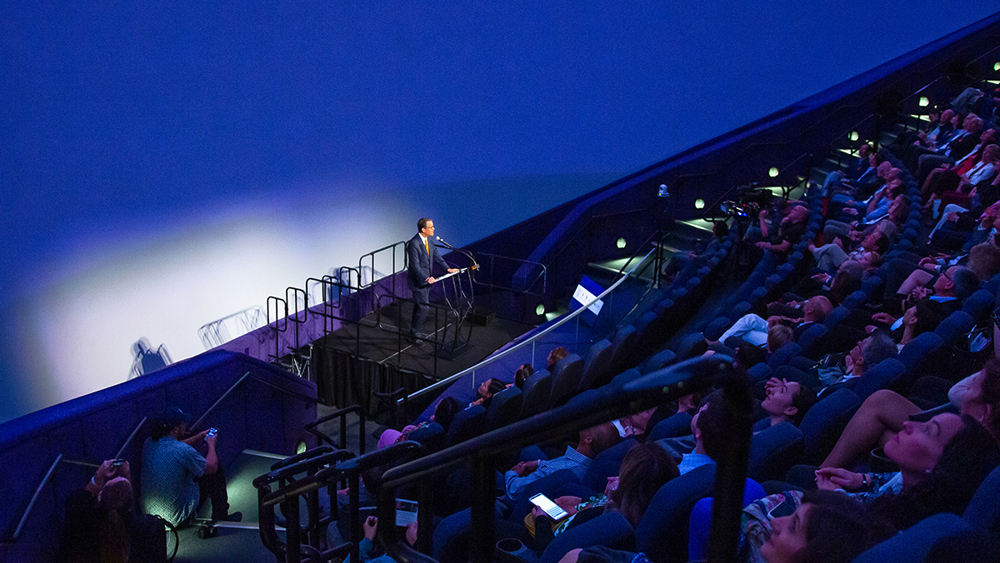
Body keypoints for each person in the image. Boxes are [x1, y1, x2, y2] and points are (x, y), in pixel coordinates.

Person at [527, 443, 679, 549]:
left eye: (621, 477)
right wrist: (583, 502)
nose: (612, 479)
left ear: (629, 491)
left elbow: (551, 551)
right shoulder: (661, 517)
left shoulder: (596, 519)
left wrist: (541, 520)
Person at [140, 407, 240, 526]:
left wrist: (198, 437)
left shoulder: (148, 443)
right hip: (175, 518)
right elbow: (212, 467)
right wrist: (211, 445)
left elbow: (174, 446)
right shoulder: (183, 450)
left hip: (152, 520)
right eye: (182, 423)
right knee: (216, 472)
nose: (185, 425)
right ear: (175, 429)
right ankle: (221, 518)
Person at [57, 459, 160, 563]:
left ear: (99, 496)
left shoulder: (83, 527)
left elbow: (76, 501)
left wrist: (97, 478)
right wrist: (127, 477)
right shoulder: (147, 529)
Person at [503, 423, 621, 503]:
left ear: (588, 439)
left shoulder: (558, 469)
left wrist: (512, 473)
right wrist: (539, 463)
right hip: (550, 473)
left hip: (518, 498)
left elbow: (515, 490)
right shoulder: (588, 464)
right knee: (530, 450)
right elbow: (559, 464)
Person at [406, 217, 458, 340]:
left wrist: (448, 268)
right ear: (423, 229)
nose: (433, 229)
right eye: (431, 227)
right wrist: (426, 278)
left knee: (420, 307)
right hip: (418, 281)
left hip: (426, 280)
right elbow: (415, 266)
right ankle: (414, 335)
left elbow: (436, 255)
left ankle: (413, 331)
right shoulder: (413, 244)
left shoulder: (429, 239)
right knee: (424, 308)